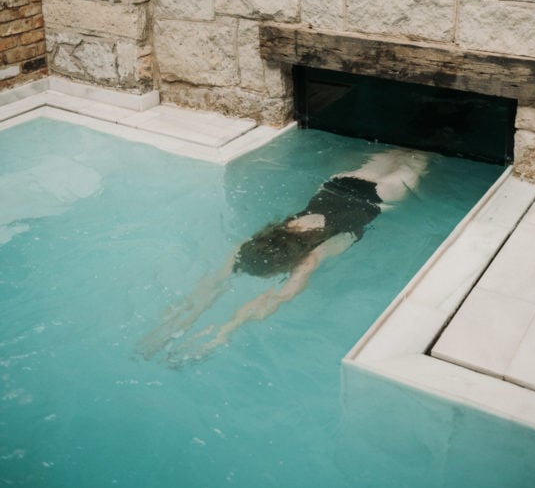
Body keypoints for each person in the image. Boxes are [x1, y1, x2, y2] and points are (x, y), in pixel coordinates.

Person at [137, 147, 430, 366]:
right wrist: (186, 316)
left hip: (381, 197)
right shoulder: (266, 238)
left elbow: (273, 298)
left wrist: (225, 329)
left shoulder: (310, 257)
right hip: (340, 183)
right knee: (401, 154)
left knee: (417, 160)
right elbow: (221, 282)